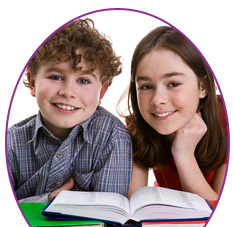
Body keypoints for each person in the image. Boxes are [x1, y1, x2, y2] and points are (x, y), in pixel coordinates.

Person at [7, 18, 133, 203]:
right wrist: (45, 200)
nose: (67, 92)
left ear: (102, 92)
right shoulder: (11, 143)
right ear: (33, 82)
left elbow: (111, 215)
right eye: (56, 77)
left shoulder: (112, 136)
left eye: (83, 81)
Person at [119, 25, 227, 201]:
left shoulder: (227, 123)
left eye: (173, 84)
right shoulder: (137, 127)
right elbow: (132, 211)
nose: (157, 99)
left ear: (203, 87)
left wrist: (184, 155)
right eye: (146, 86)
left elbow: (218, 217)